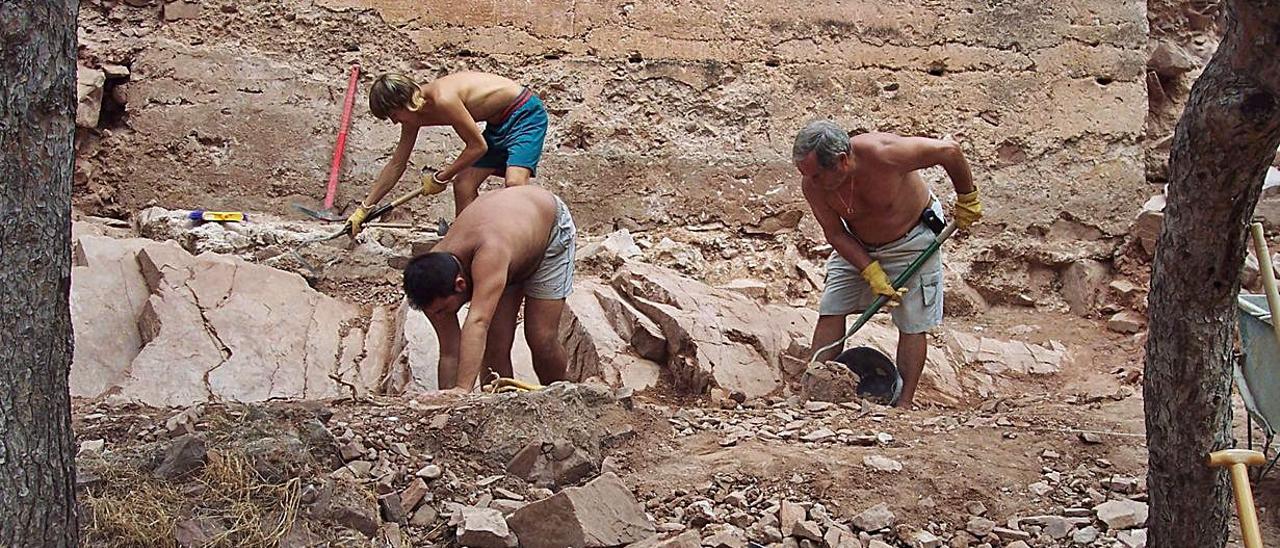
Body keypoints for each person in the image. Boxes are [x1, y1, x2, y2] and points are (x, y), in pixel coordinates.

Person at [793, 119, 982, 408]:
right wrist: (869, 269)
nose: (810, 182)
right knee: (832, 308)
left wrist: (966, 196)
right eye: (806, 175)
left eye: (817, 175)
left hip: (913, 238)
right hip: (856, 244)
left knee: (912, 322)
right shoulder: (813, 185)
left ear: (842, 161)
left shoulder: (884, 153)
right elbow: (834, 233)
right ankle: (814, 389)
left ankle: (903, 405)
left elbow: (949, 151)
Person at [401, 185, 574, 392]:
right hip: (511, 249)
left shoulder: (488, 254)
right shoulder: (434, 274)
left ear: (460, 284)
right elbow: (450, 352)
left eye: (442, 311)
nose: (441, 317)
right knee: (495, 347)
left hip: (548, 231)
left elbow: (478, 320)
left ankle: (562, 397)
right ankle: (501, 411)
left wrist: (462, 390)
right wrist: (448, 399)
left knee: (540, 338)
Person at [347, 71, 549, 235]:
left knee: (515, 183)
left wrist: (441, 177)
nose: (394, 121)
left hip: (524, 114)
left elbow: (477, 147)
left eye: (393, 115)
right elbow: (396, 164)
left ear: (404, 102)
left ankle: (525, 241)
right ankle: (467, 242)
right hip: (497, 126)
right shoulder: (413, 116)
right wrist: (364, 208)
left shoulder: (443, 99)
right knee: (463, 185)